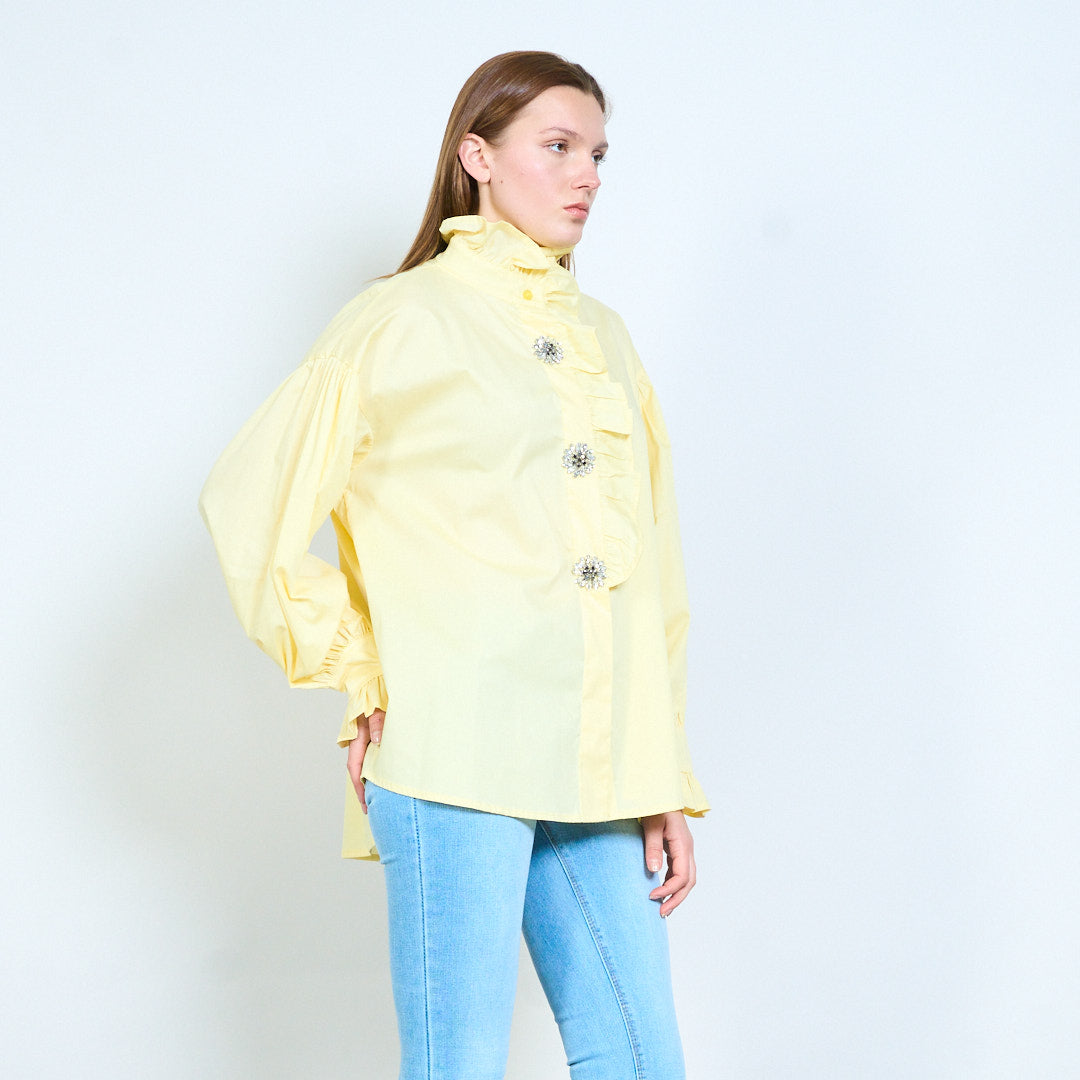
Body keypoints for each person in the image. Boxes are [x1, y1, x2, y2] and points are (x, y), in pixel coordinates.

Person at [199, 50, 709, 1080]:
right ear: (478, 156)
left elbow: (651, 571)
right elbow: (247, 505)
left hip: (598, 764)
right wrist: (358, 674)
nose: (587, 175)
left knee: (641, 1059)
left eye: (598, 154)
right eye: (557, 147)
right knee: (458, 1065)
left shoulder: (604, 337)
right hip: (452, 748)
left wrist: (658, 768)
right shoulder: (398, 319)